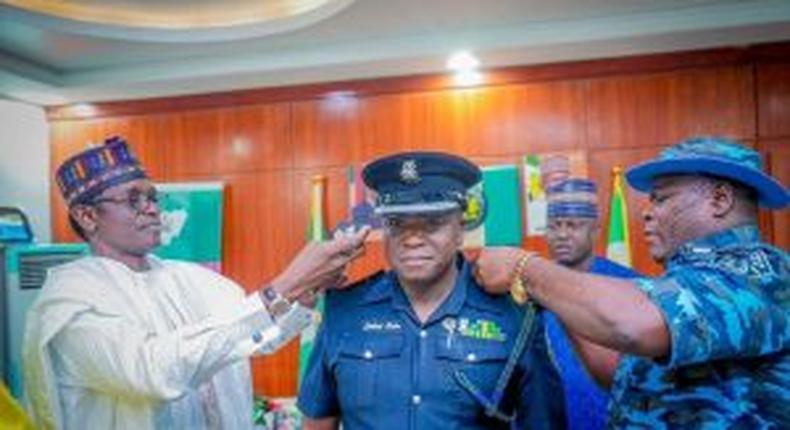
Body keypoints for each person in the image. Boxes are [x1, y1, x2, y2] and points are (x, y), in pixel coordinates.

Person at [23, 136, 368, 430]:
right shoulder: (70, 300)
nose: (151, 209)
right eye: (133, 199)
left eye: (152, 197)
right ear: (87, 216)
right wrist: (287, 284)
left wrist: (307, 293)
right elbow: (154, 373)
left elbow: (248, 340)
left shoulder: (188, 278)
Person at [472, 136, 789, 428]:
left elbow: (633, 325)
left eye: (661, 199)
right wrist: (548, 296)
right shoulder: (690, 277)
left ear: (719, 200)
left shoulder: (761, 275)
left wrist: (525, 267)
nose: (647, 214)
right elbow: (622, 372)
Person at [297, 152, 566, 430]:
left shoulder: (514, 314)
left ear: (460, 230)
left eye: (433, 222)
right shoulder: (344, 310)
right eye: (396, 223)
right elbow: (318, 421)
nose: (412, 239)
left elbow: (543, 422)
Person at [542, 178, 640, 430]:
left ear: (595, 231)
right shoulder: (530, 288)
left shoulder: (632, 287)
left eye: (573, 225)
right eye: (554, 226)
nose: (562, 234)